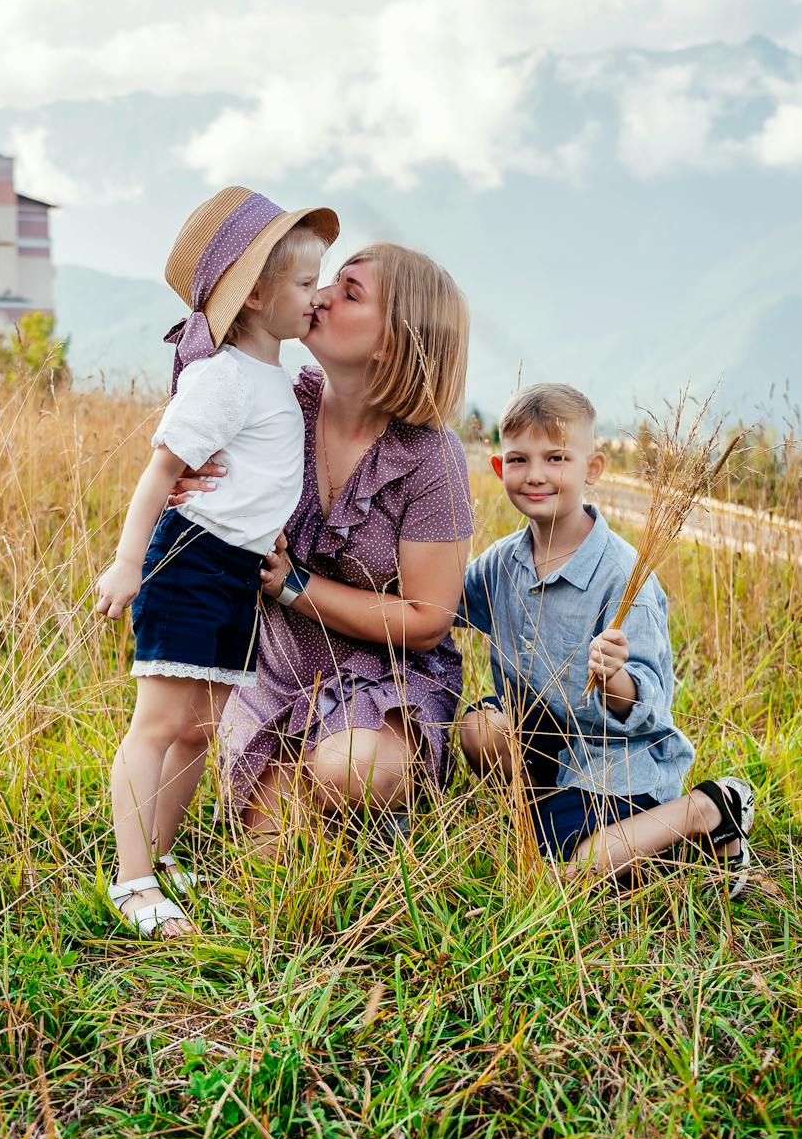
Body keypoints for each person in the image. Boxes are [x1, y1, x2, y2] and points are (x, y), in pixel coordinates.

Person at [92, 186, 337, 937]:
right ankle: (131, 880)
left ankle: (161, 858)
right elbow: (162, 470)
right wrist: (129, 563)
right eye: (305, 284)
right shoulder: (224, 376)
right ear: (257, 294)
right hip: (192, 563)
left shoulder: (273, 377)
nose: (318, 296)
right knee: (160, 723)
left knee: (203, 725)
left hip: (236, 574)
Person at [174, 244, 475, 838]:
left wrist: (294, 586)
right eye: (330, 281)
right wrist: (188, 483)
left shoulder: (431, 457)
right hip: (278, 671)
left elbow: (428, 619)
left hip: (389, 679)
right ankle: (353, 832)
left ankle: (387, 802)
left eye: (351, 292)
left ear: (394, 341)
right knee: (268, 859)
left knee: (347, 769)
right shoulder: (276, 406)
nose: (322, 295)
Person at [455, 383, 757, 893]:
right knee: (481, 726)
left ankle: (706, 809)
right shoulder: (502, 562)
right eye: (519, 459)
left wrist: (614, 675)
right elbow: (440, 607)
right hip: (545, 736)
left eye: (556, 458)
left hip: (615, 753)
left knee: (579, 869)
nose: (536, 475)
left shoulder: (623, 576)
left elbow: (649, 703)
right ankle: (541, 824)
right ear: (499, 468)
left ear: (591, 469)